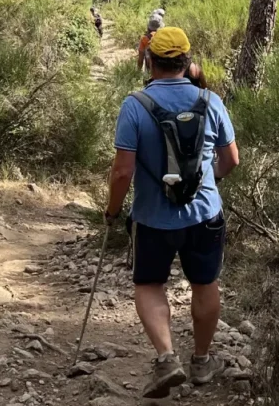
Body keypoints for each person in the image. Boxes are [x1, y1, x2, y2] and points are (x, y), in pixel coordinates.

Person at [105, 27, 240, 399]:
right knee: (205, 283)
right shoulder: (210, 101)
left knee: (149, 284)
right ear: (186, 61)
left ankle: (167, 358)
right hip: (205, 215)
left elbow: (122, 171)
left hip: (152, 218)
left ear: (149, 61)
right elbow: (231, 160)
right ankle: (201, 361)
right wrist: (205, 184)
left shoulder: (135, 105)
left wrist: (113, 211)